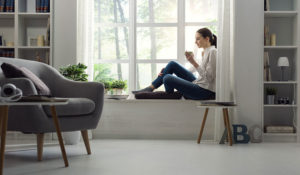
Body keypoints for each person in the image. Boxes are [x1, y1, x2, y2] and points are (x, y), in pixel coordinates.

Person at [132, 28, 217, 100]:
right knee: (172, 64)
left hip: (204, 91)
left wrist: (193, 62)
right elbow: (194, 70)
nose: (195, 42)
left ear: (207, 39)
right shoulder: (205, 52)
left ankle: (171, 94)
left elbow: (209, 78)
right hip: (198, 84)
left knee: (167, 78)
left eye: (198, 39)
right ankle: (150, 88)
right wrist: (166, 71)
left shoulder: (213, 52)